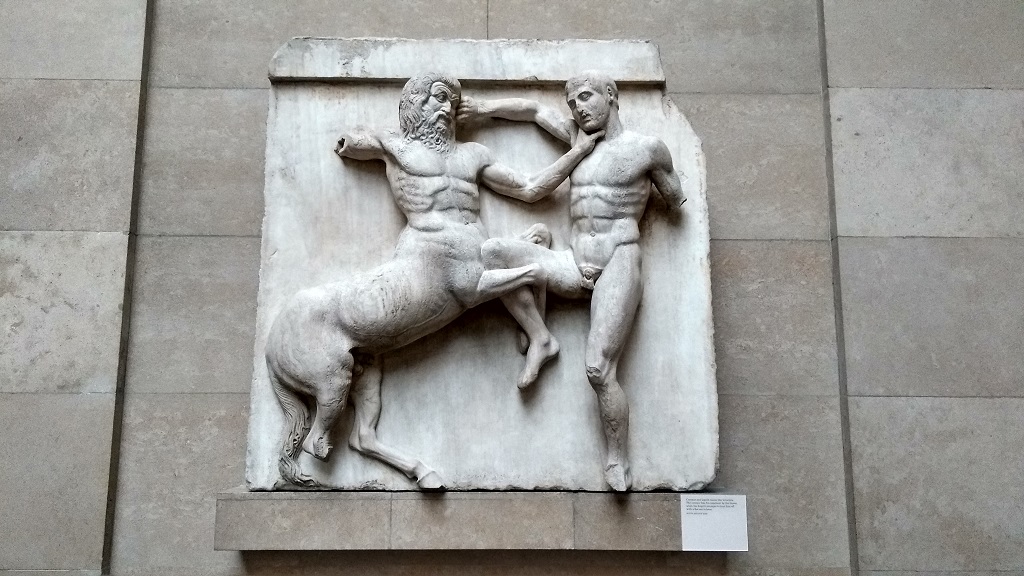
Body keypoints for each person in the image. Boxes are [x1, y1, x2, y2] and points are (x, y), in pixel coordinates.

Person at [266, 72, 602, 489]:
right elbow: (351, 142)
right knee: (518, 262)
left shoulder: (474, 156)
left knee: (519, 243)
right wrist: (357, 141)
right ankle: (320, 436)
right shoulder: (396, 146)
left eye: (452, 102)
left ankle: (538, 334)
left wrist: (579, 150)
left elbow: (532, 188)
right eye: (438, 99)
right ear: (415, 104)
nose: (446, 109)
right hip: (428, 253)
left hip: (467, 254)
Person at [460, 71, 686, 491]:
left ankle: (616, 458)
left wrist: (664, 198)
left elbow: (675, 198)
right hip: (572, 261)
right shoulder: (575, 138)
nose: (578, 108)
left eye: (585, 97)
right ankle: (540, 335)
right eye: (572, 103)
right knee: (493, 254)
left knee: (599, 369)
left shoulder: (647, 149)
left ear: (611, 95)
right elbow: (531, 111)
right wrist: (483, 109)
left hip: (618, 261)